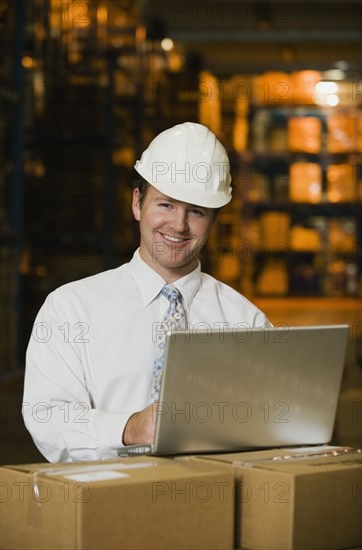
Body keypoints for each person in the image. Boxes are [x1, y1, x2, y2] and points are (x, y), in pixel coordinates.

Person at [22, 122, 271, 462]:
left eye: (196, 211)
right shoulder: (71, 308)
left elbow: (271, 425)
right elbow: (46, 416)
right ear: (137, 203)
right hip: (104, 502)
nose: (179, 225)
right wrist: (129, 428)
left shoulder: (246, 321)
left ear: (213, 222)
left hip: (211, 497)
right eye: (166, 205)